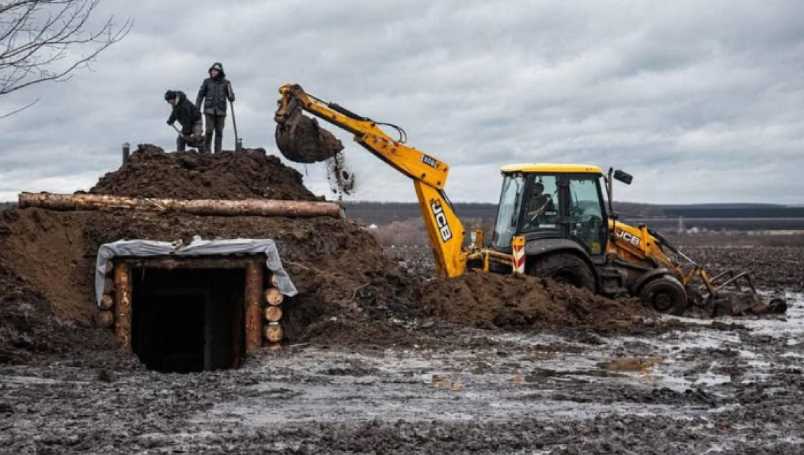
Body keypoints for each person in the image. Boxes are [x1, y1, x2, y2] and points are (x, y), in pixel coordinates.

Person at [196, 62, 235, 153]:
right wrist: (197, 108)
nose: (213, 72)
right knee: (209, 131)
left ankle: (218, 152)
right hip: (209, 110)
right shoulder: (207, 82)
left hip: (221, 111)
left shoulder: (226, 83)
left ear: (220, 72)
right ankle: (207, 151)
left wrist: (231, 95)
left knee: (219, 132)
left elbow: (231, 98)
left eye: (216, 71)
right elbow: (200, 96)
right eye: (212, 70)